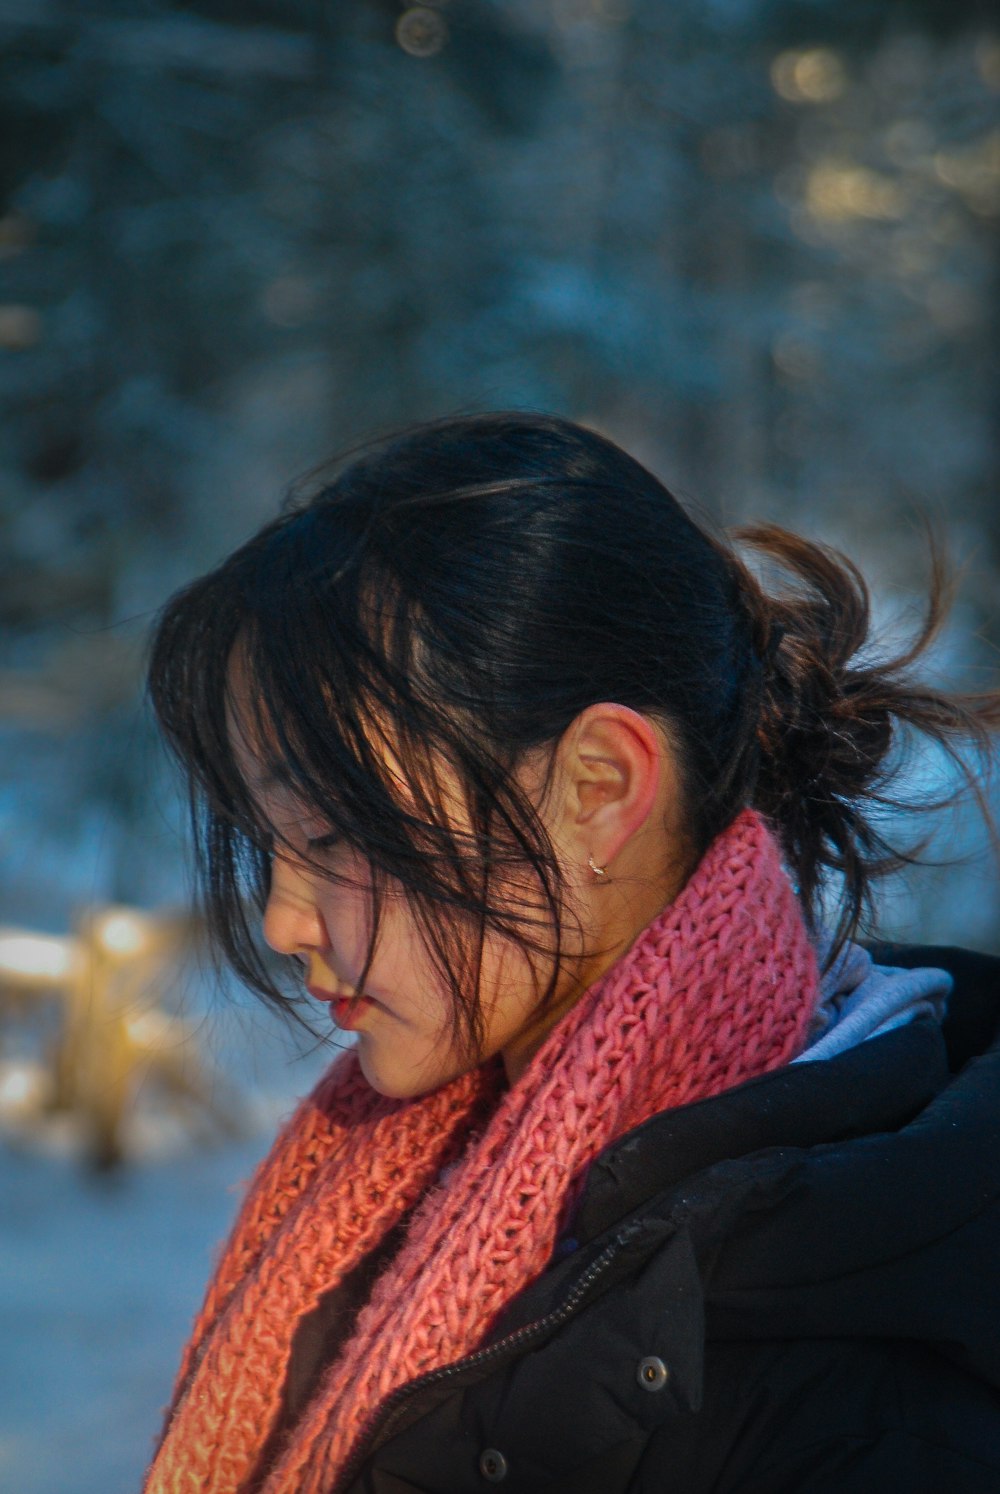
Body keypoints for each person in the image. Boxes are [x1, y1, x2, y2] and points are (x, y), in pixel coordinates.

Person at [142, 413, 1000, 1494]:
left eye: (333, 836)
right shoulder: (388, 1194)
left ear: (598, 790)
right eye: (270, 845)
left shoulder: (850, 1397)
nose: (281, 920)